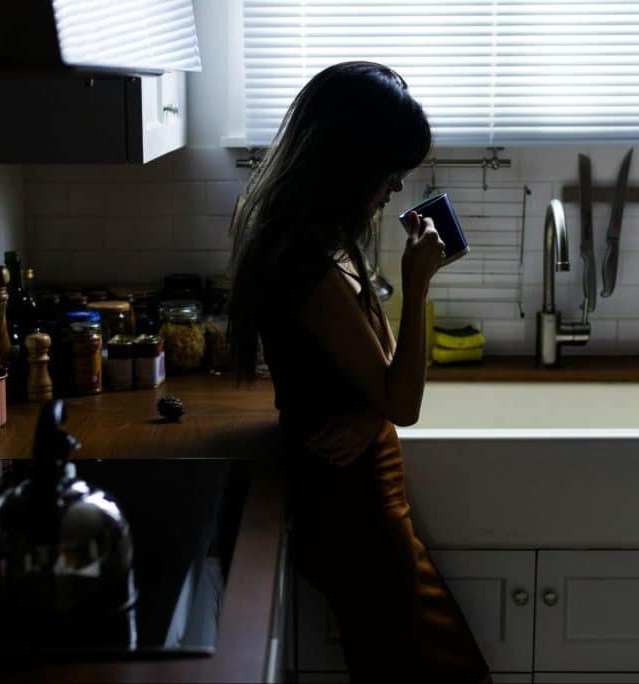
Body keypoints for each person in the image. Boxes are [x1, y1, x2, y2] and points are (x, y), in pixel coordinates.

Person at [228, 61, 491, 682]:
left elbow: (370, 378)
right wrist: (418, 286)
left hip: (363, 504)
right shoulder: (311, 267)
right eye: (389, 173)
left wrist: (370, 410)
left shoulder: (321, 239)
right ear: (348, 165)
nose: (396, 190)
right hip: (358, 519)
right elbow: (403, 401)